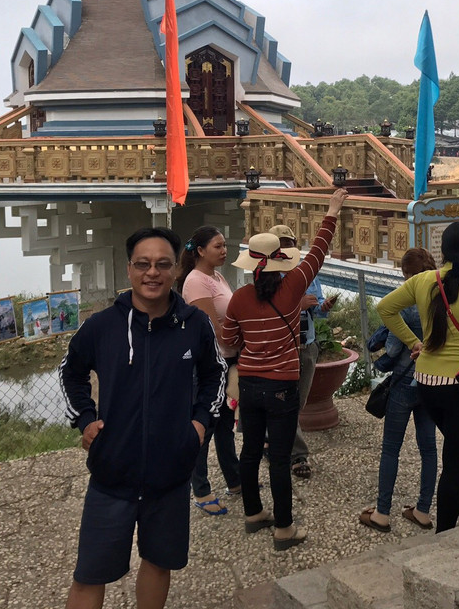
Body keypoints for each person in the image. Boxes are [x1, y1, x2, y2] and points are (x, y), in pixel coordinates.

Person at [59, 226, 226, 609]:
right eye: (143, 264)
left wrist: (200, 424)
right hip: (111, 475)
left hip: (169, 477)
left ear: (174, 270)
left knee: (158, 562)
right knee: (89, 575)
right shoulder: (103, 326)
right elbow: (71, 369)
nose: (153, 273)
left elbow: (215, 373)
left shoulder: (193, 325)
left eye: (163, 264)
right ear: (130, 269)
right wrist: (85, 418)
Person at [222, 188, 348, 550]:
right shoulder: (294, 287)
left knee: (249, 451)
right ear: (282, 259)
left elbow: (229, 340)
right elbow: (320, 250)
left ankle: (252, 514)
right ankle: (284, 529)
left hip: (249, 384)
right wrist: (332, 210)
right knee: (279, 457)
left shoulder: (239, 298)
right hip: (282, 385)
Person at [377, 222, 459, 532]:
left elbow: (385, 308)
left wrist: (414, 343)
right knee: (456, 462)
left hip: (427, 386)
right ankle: (445, 540)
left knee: (458, 449)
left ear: (443, 251)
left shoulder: (423, 281)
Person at [359, 248, 438, 533]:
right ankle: (424, 510)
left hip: (404, 383)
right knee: (428, 447)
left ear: (406, 274)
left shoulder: (404, 300)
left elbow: (392, 347)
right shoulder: (440, 296)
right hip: (431, 381)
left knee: (391, 448)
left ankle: (382, 513)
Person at [176, 225, 240, 516]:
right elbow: (211, 327)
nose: (224, 251)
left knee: (226, 423)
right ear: (200, 251)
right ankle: (200, 490)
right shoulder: (196, 281)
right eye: (217, 246)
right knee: (205, 425)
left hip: (226, 359)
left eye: (225, 245)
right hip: (209, 364)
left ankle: (235, 480)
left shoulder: (217, 276)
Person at [269, 223, 339, 480]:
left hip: (306, 344)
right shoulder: (267, 276)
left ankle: (275, 440)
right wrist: (296, 305)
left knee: (298, 401)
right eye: (282, 244)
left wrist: (323, 306)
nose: (287, 248)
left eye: (290, 243)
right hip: (281, 346)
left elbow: (317, 309)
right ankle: (298, 454)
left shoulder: (308, 273)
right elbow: (266, 311)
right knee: (285, 401)